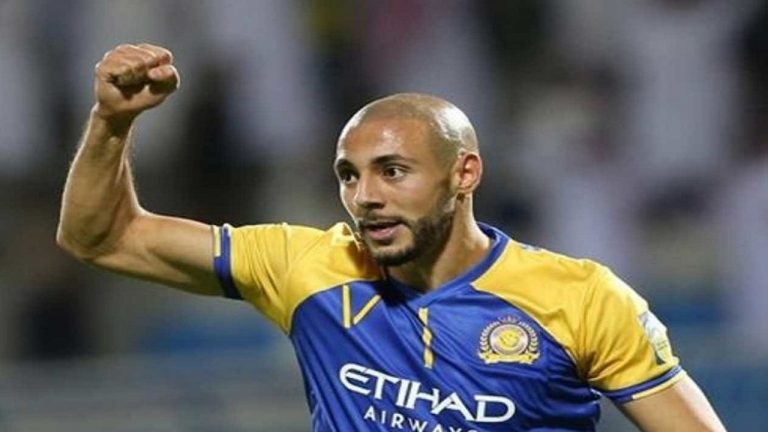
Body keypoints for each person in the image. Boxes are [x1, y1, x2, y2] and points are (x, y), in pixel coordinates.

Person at [57, 43, 726, 431]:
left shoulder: (581, 299)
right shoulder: (308, 267)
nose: (365, 195)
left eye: (393, 171)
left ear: (464, 173)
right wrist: (112, 122)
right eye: (349, 175)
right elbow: (104, 238)